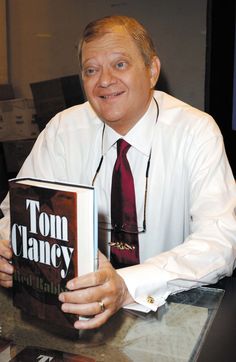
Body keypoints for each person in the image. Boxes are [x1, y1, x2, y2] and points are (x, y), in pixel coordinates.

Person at [0, 15, 236, 330]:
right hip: (74, 311)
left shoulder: (195, 132)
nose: (105, 81)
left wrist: (126, 286)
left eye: (120, 64)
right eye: (91, 70)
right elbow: (16, 213)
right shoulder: (63, 130)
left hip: (167, 311)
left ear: (152, 71)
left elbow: (220, 242)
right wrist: (6, 246)